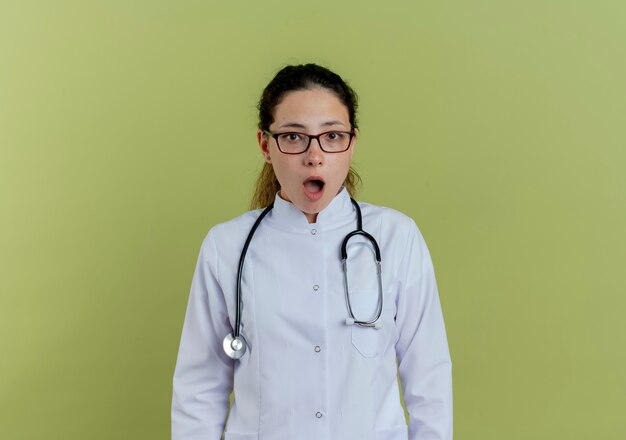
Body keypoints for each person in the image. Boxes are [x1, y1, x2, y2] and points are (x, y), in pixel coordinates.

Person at [171, 64, 452, 440]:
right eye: (293, 137)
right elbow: (199, 390)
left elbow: (428, 379)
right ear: (265, 145)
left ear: (352, 143)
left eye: (332, 136)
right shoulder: (227, 247)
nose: (314, 156)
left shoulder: (396, 238)